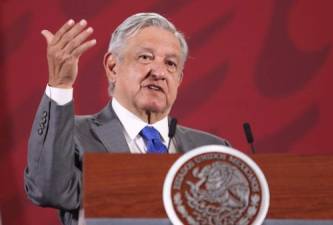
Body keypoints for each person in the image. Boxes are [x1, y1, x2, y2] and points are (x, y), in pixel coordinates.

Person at [24, 13, 229, 225]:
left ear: (179, 79)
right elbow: (47, 188)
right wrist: (60, 85)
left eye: (170, 63)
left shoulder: (211, 150)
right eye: (145, 57)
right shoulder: (74, 135)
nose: (159, 72)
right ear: (113, 67)